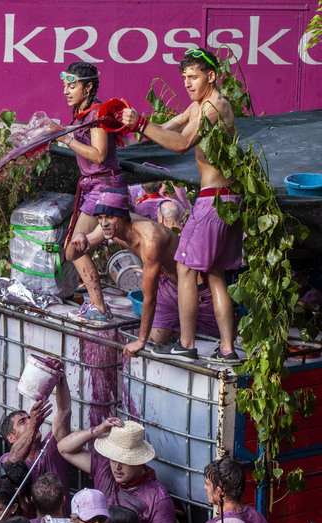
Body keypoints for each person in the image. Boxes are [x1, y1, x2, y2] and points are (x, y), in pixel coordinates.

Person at [121, 49, 240, 363]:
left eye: (194, 77)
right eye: (184, 77)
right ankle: (227, 349)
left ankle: (186, 345)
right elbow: (168, 129)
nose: (188, 83)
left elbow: (182, 143)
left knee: (185, 267)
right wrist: (129, 131)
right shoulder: (200, 105)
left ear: (211, 76)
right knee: (214, 274)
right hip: (225, 199)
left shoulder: (214, 105)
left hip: (214, 200)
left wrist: (142, 122)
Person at [68, 189, 218, 357]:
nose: (104, 223)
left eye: (109, 217)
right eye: (101, 218)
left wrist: (140, 341)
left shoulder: (150, 239)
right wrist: (79, 238)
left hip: (198, 290)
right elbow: (71, 255)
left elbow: (149, 296)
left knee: (210, 345)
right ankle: (177, 334)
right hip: (169, 287)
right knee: (156, 340)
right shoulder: (108, 229)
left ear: (124, 217)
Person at [47, 61, 125, 324]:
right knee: (72, 251)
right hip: (94, 188)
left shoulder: (96, 115)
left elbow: (100, 155)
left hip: (106, 188)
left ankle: (99, 309)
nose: (66, 91)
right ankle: (98, 307)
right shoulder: (82, 113)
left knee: (74, 250)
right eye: (64, 86)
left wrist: (66, 138)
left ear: (88, 87)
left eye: (73, 86)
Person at [58, 419, 176, 523]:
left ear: (139, 461)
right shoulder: (104, 467)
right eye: (114, 460)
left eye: (124, 462)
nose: (117, 467)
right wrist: (98, 430)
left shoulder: (157, 495)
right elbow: (64, 449)